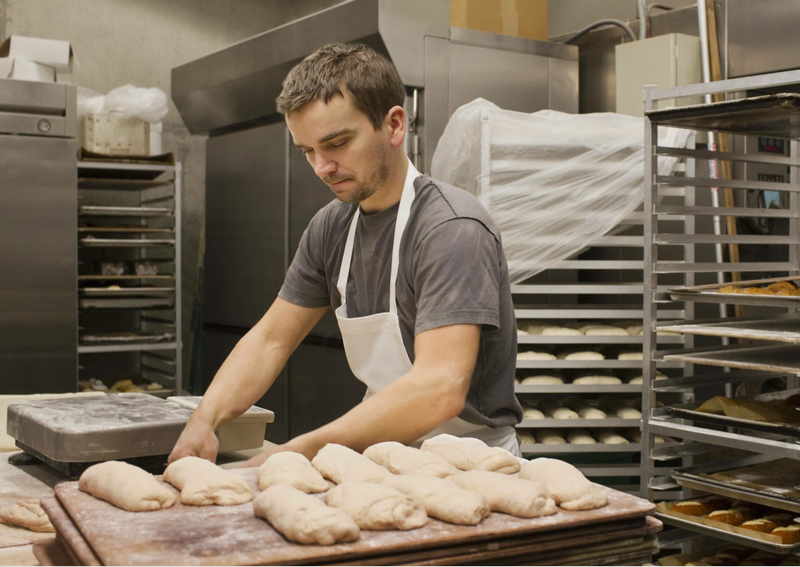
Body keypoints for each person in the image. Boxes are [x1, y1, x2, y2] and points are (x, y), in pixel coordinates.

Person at [169, 43, 522, 467]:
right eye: (307, 152)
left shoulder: (450, 228)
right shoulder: (332, 227)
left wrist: (304, 448)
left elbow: (439, 387)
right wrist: (205, 419)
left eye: (336, 143)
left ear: (394, 125)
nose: (322, 167)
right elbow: (270, 340)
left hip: (475, 465)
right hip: (382, 453)